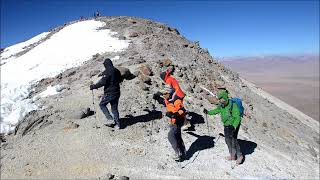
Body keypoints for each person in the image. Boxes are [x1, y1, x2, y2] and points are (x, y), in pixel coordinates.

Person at [203, 89, 244, 165]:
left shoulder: (233, 105)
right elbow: (216, 110)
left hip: (234, 125)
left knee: (233, 140)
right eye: (219, 99)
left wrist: (234, 126)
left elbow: (237, 117)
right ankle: (232, 155)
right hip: (226, 125)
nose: (220, 101)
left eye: (222, 99)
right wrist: (208, 112)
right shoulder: (222, 105)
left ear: (225, 98)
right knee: (227, 140)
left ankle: (239, 156)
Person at [90, 58, 122, 129]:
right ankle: (118, 125)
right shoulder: (116, 70)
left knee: (102, 104)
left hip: (110, 92)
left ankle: (110, 119)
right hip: (117, 92)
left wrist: (94, 86)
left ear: (106, 65)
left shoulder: (107, 71)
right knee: (114, 108)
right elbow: (120, 79)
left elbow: (102, 82)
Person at [163, 91, 186, 161]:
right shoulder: (169, 100)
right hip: (174, 121)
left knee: (171, 135)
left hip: (178, 121)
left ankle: (178, 153)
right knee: (177, 137)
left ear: (169, 94)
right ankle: (183, 153)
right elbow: (165, 103)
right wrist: (158, 98)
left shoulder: (176, 100)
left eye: (165, 94)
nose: (164, 96)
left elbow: (182, 110)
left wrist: (173, 115)